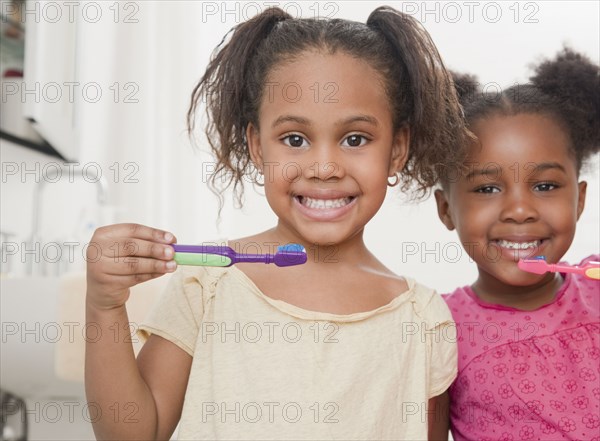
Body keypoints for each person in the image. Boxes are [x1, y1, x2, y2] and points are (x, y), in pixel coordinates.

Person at [85, 6, 469, 440]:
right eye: (295, 139)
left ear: (397, 149)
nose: (324, 167)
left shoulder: (422, 319)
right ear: (257, 146)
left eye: (355, 139)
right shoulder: (208, 284)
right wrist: (104, 306)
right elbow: (134, 433)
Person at [435, 48, 600, 441]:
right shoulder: (437, 328)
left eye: (545, 186)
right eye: (487, 188)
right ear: (446, 210)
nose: (520, 210)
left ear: (578, 200)